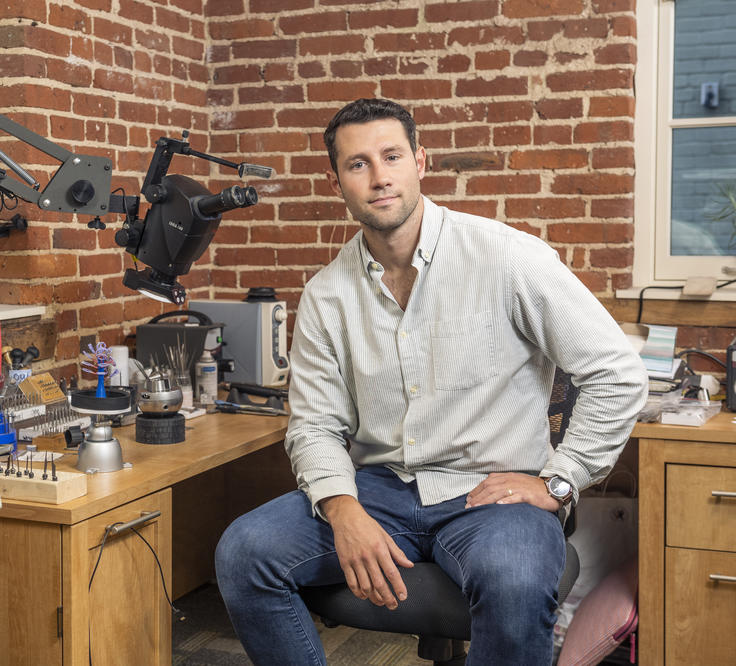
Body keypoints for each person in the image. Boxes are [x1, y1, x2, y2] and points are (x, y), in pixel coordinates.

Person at [214, 98, 648, 665]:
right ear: (337, 181)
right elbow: (316, 423)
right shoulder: (327, 293)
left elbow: (617, 373)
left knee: (515, 580)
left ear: (421, 161)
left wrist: (560, 482)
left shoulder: (508, 258)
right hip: (380, 490)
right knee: (244, 553)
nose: (379, 177)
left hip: (492, 493)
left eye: (391, 156)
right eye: (358, 164)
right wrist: (345, 511)